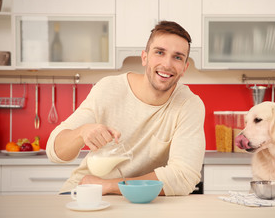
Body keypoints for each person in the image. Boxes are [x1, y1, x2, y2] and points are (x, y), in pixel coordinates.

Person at [46, 21, 206, 196]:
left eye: (177, 57)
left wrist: (108, 186)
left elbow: (184, 176)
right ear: (144, 57)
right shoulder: (109, 88)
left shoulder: (188, 105)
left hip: (143, 199)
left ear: (184, 68)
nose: (167, 64)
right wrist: (81, 132)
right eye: (159, 52)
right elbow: (55, 152)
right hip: (86, 193)